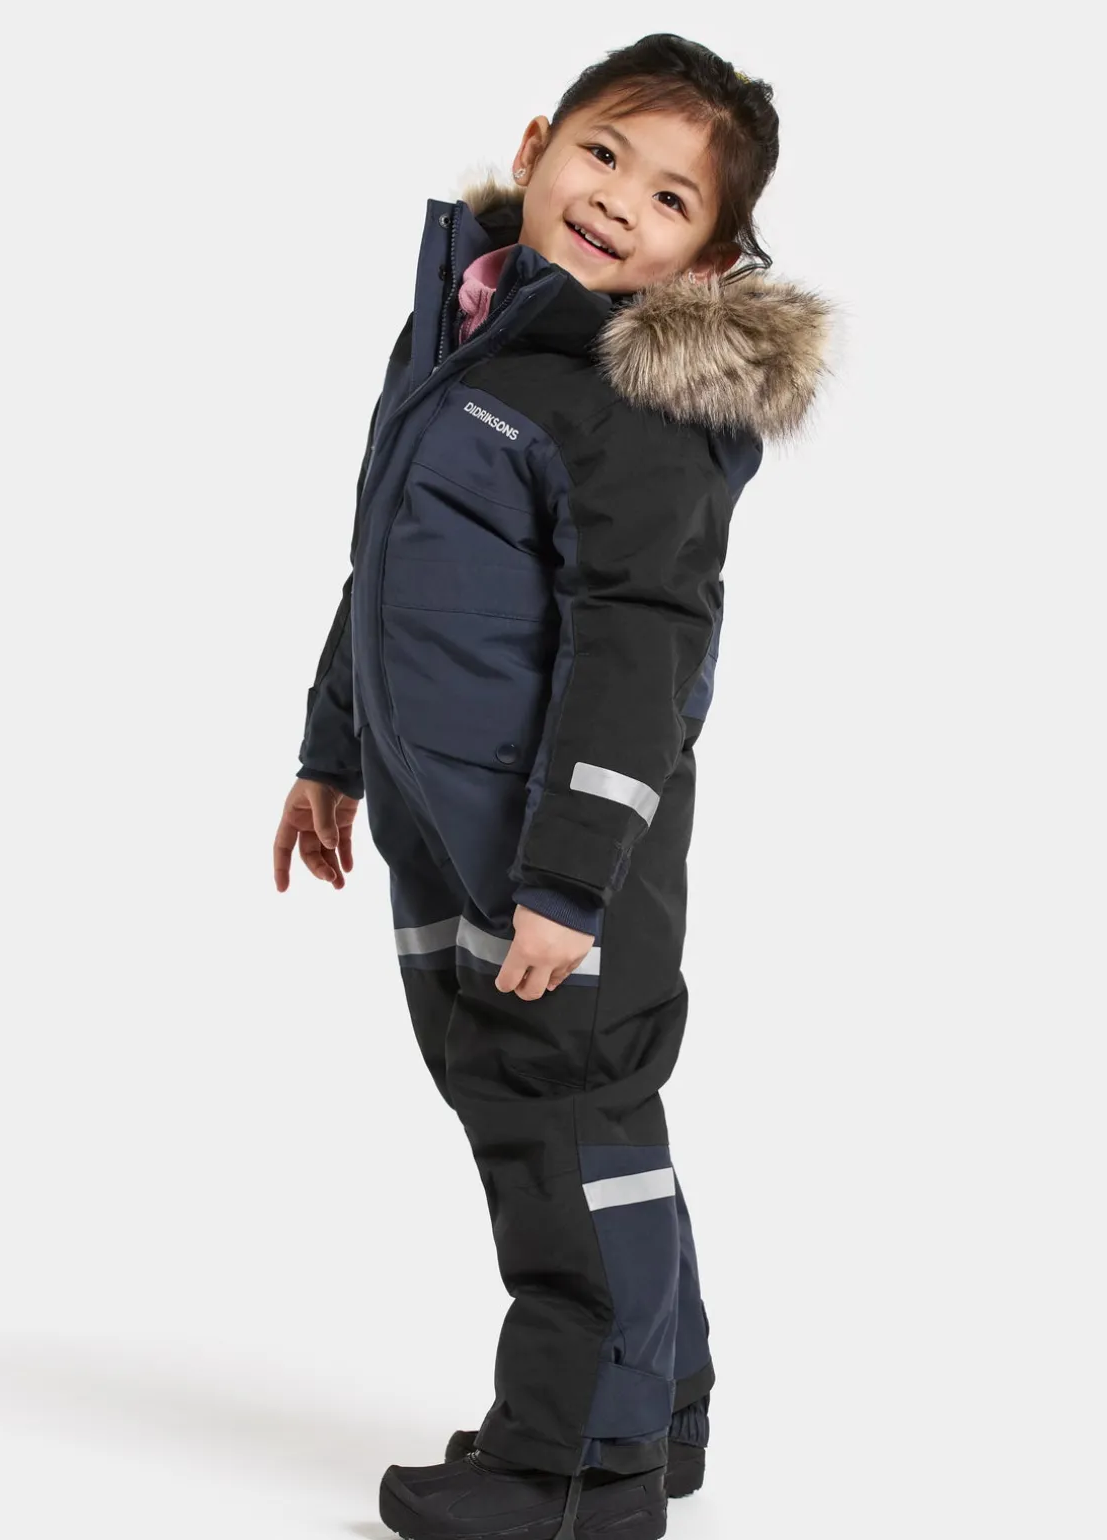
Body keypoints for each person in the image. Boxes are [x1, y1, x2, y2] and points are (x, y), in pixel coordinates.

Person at [272, 32, 835, 1540]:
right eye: (603, 153)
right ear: (536, 145)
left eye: (670, 199)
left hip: (555, 857)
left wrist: (570, 881)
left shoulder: (629, 407)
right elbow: (388, 562)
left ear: (707, 262)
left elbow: (641, 656)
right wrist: (333, 750)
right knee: (576, 1121)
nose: (616, 201)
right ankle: (657, 1411)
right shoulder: (472, 333)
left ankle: (574, 1474)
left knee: (562, 1137)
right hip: (449, 826)